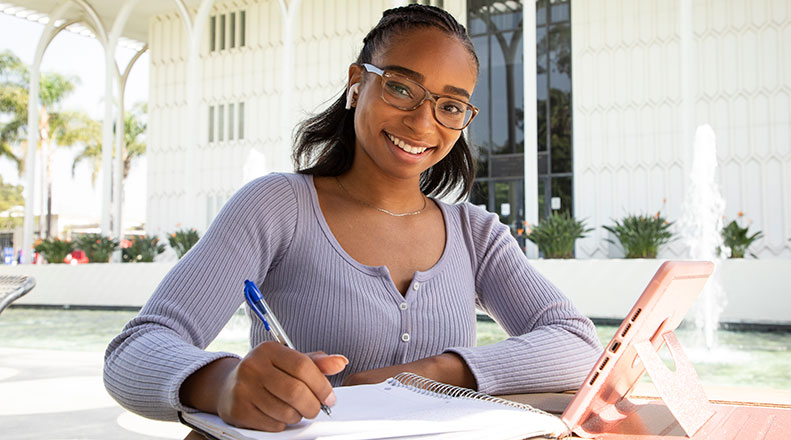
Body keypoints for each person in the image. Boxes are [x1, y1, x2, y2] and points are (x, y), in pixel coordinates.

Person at [104, 4, 602, 434]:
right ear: (357, 82)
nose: (422, 121)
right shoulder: (278, 206)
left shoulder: (475, 233)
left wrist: (429, 372)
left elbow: (578, 342)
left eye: (449, 106)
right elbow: (134, 351)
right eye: (402, 88)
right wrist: (222, 382)